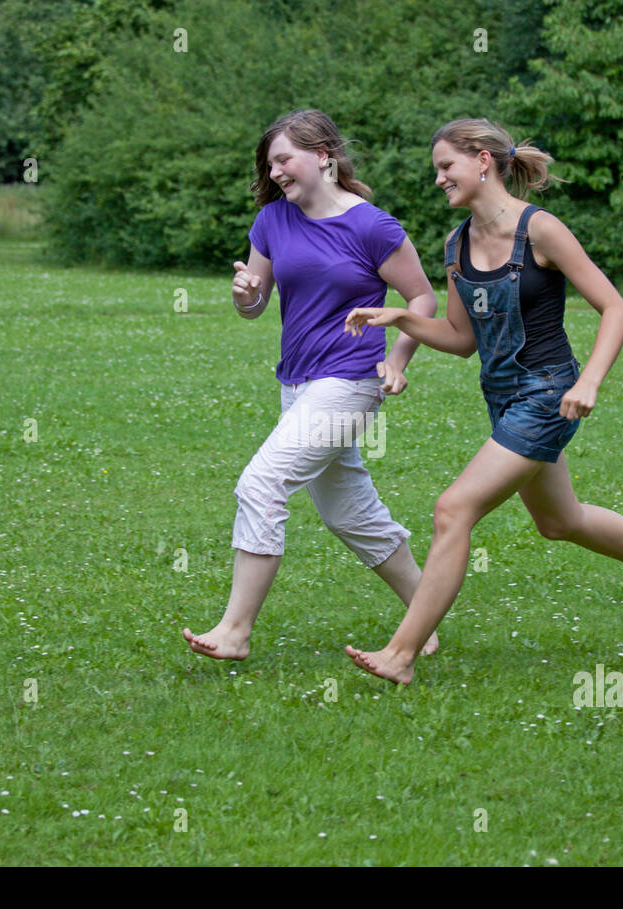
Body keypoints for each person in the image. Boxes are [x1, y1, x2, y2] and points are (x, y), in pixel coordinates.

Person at [342, 117, 623, 685]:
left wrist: (590, 382)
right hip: (501, 397)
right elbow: (459, 341)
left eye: (446, 167)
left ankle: (400, 655)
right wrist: (402, 317)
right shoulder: (456, 244)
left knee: (453, 509)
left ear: (482, 160)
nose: (439, 180)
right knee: (559, 521)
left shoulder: (541, 230)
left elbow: (615, 308)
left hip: (549, 393)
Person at [184, 109, 440, 661]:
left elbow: (422, 300)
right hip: (296, 383)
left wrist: (399, 359)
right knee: (349, 513)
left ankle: (235, 631)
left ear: (323, 155)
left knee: (261, 483)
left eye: (284, 159)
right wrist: (245, 293)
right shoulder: (273, 222)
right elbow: (255, 305)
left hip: (349, 381)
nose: (275, 171)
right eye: (270, 163)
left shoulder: (373, 226)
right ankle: (426, 619)